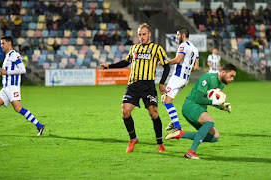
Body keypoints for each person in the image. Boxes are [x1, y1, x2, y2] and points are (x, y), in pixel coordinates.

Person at [100, 23, 170, 153]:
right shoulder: (134, 48)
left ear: (149, 34)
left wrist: (161, 83)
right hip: (133, 84)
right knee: (125, 111)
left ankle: (160, 143)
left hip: (148, 86)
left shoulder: (157, 49)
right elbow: (126, 62)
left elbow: (166, 66)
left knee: (154, 113)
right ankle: (133, 138)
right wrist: (109, 66)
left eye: (144, 34)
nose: (141, 37)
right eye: (139, 35)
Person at [165, 63, 236, 159]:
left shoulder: (221, 85)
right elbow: (198, 98)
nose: (232, 79)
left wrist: (222, 107)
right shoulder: (208, 78)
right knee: (210, 122)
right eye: (231, 76)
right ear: (223, 72)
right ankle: (191, 152)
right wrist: (216, 102)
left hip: (199, 109)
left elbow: (209, 100)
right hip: (190, 106)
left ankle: (181, 134)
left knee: (215, 136)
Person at [0, 36, 45, 136]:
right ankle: (39, 126)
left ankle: (39, 125)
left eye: (3, 43)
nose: (1, 45)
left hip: (12, 87)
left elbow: (22, 70)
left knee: (18, 108)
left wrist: (6, 72)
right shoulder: (7, 56)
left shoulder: (15, 55)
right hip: (5, 88)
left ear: (9, 43)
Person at [161, 28, 199, 131]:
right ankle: (174, 122)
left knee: (166, 100)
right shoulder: (195, 49)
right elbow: (195, 67)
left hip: (177, 77)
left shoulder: (183, 46)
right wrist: (186, 71)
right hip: (185, 79)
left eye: (178, 35)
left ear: (183, 35)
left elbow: (178, 60)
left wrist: (165, 62)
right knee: (164, 99)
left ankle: (177, 126)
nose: (177, 37)